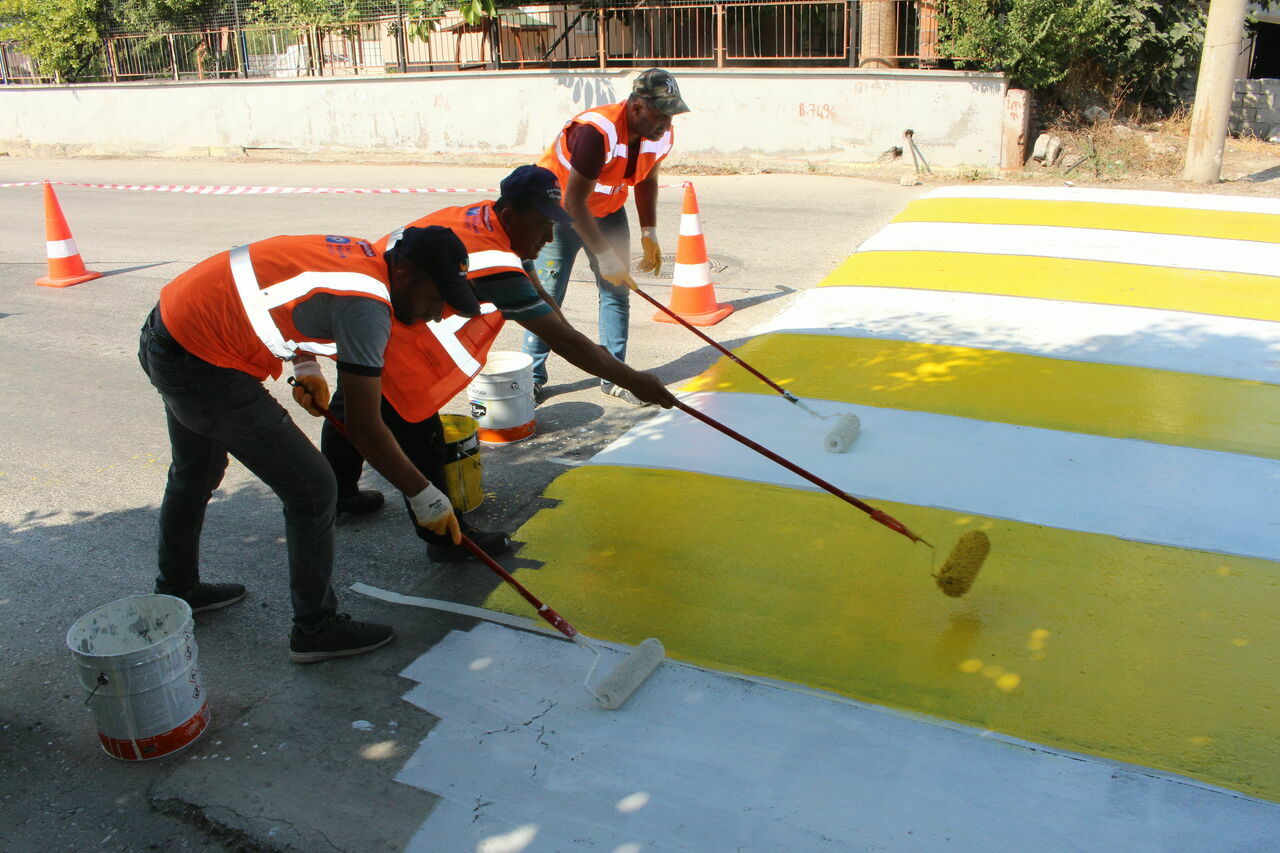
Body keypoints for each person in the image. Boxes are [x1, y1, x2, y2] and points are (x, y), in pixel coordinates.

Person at [137, 226, 479, 663]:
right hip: (203, 364)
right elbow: (363, 425)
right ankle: (315, 628)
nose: (438, 314)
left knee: (195, 471)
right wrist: (424, 494)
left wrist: (306, 365)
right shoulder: (367, 307)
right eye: (437, 298)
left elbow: (284, 295)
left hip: (169, 330)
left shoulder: (361, 257)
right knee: (314, 488)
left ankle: (177, 587)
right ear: (406, 274)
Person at [321, 165, 677, 560]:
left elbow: (539, 296)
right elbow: (562, 341)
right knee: (419, 430)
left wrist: (571, 330)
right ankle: (446, 541)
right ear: (510, 215)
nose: (549, 237)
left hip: (373, 309)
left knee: (349, 404)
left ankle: (339, 494)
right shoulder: (493, 264)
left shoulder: (488, 220)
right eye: (541, 225)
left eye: (552, 225)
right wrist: (632, 378)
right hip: (383, 323)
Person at [521, 67, 690, 407]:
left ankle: (616, 376)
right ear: (637, 108)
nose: (666, 124)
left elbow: (646, 179)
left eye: (671, 115)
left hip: (608, 211)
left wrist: (649, 232)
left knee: (616, 292)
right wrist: (605, 255)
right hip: (556, 213)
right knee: (547, 297)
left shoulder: (660, 135)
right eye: (660, 114)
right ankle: (532, 379)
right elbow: (573, 203)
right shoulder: (595, 132)